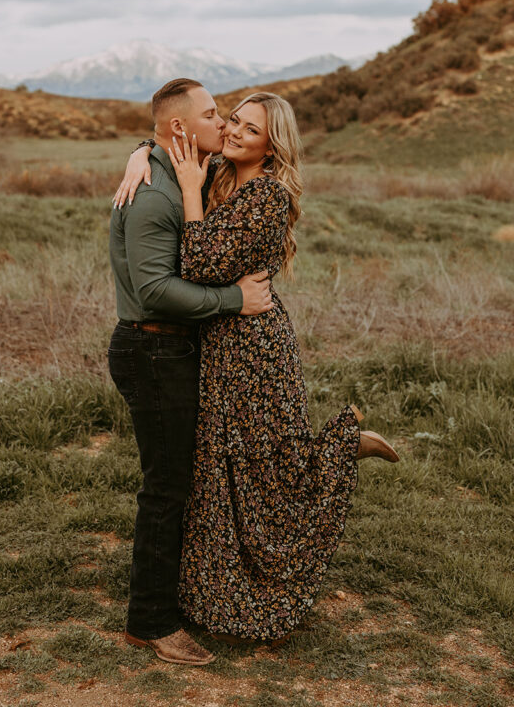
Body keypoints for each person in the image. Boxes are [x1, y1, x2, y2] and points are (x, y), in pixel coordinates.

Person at [116, 90, 399, 645]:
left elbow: (197, 264)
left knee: (261, 470)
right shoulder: (219, 170)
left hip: (254, 345)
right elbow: (168, 136)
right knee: (220, 473)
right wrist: (138, 154)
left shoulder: (266, 195)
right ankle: (212, 592)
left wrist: (194, 194)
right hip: (218, 340)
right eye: (232, 121)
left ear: (274, 145)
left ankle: (340, 447)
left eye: (249, 128)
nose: (234, 131)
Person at [107, 78, 276, 667]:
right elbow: (154, 289)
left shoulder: (171, 168)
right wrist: (235, 299)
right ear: (181, 129)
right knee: (167, 489)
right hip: (153, 351)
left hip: (169, 350)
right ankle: (150, 622)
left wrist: (140, 147)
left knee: (181, 481)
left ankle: (181, 595)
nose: (223, 124)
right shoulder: (154, 194)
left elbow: (159, 132)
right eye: (211, 115)